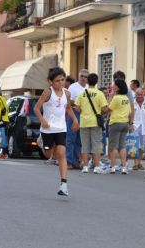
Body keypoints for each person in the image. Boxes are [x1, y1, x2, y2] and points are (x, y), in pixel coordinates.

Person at [34, 67, 79, 197]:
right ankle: (42, 142)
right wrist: (42, 120)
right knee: (48, 154)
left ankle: (63, 185)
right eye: (57, 81)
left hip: (61, 128)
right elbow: (36, 108)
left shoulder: (67, 93)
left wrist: (75, 120)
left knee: (61, 153)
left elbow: (68, 108)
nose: (60, 83)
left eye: (62, 80)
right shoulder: (47, 92)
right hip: (48, 129)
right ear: (50, 82)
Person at [75, 73, 108, 174]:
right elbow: (104, 109)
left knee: (85, 145)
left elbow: (77, 107)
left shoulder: (82, 93)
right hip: (95, 122)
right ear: (96, 82)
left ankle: (85, 166)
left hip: (84, 122)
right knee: (96, 145)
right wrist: (101, 112)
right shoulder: (100, 94)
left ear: (87, 82)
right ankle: (97, 167)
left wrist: (83, 112)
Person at [107, 79, 132, 174]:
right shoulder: (126, 98)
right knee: (122, 146)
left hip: (115, 123)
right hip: (125, 123)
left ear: (118, 87)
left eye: (114, 85)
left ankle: (112, 167)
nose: (113, 86)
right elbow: (130, 113)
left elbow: (109, 109)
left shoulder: (116, 98)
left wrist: (110, 97)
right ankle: (124, 167)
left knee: (113, 146)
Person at [66, 69, 88, 169]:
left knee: (79, 140)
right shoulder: (73, 87)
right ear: (79, 76)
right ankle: (69, 162)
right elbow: (68, 102)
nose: (83, 78)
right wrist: (77, 103)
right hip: (74, 113)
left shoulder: (89, 88)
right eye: (82, 76)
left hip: (85, 115)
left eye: (85, 77)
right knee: (70, 138)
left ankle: (75, 161)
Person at [132, 88, 145, 170]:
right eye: (138, 94)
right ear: (135, 95)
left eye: (141, 94)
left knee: (142, 146)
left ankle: (139, 162)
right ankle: (135, 163)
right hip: (135, 126)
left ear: (143, 94)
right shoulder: (132, 103)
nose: (139, 96)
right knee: (135, 145)